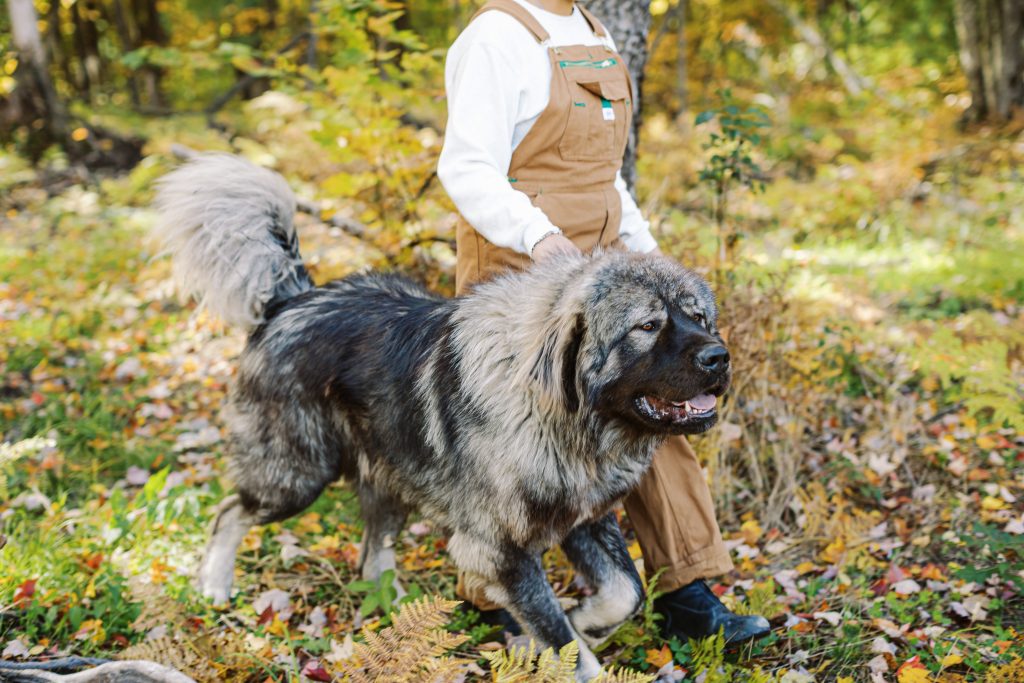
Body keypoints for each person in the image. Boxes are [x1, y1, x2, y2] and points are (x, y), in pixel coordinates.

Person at [437, 0, 770, 644]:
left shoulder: (593, 30)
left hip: (610, 273)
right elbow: (466, 166)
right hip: (522, 276)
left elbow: (605, 180)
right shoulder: (497, 35)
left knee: (667, 400)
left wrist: (649, 253)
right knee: (511, 439)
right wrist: (539, 238)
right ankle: (492, 591)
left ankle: (687, 589)